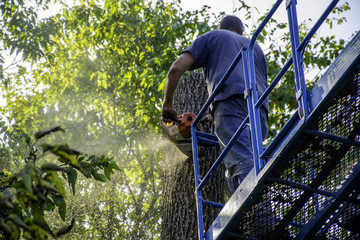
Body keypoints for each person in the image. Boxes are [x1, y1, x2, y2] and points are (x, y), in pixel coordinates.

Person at [161, 15, 269, 193]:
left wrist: (167, 105)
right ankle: (254, 207)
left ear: (222, 28)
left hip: (230, 104)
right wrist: (214, 114)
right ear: (241, 31)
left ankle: (256, 212)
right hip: (260, 111)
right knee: (249, 162)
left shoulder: (215, 36)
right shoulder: (254, 46)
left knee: (242, 162)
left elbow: (176, 69)